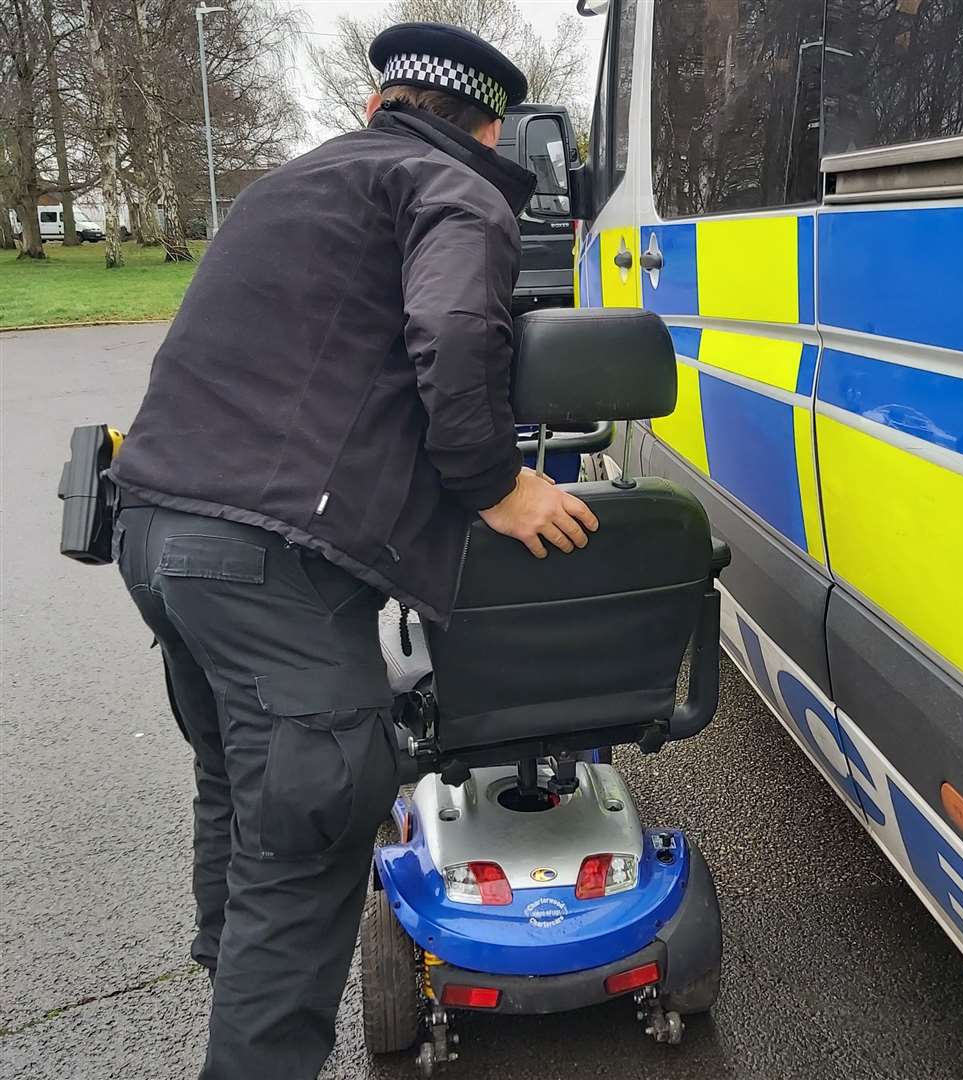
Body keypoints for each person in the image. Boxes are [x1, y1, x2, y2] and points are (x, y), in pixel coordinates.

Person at [108, 23, 598, 1079]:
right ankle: (256, 1021)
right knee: (307, 841)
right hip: (270, 564)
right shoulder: (454, 192)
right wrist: (498, 485)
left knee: (242, 792)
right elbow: (459, 330)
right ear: (491, 127)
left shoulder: (283, 188)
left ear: (378, 109)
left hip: (152, 532)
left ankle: (228, 969)